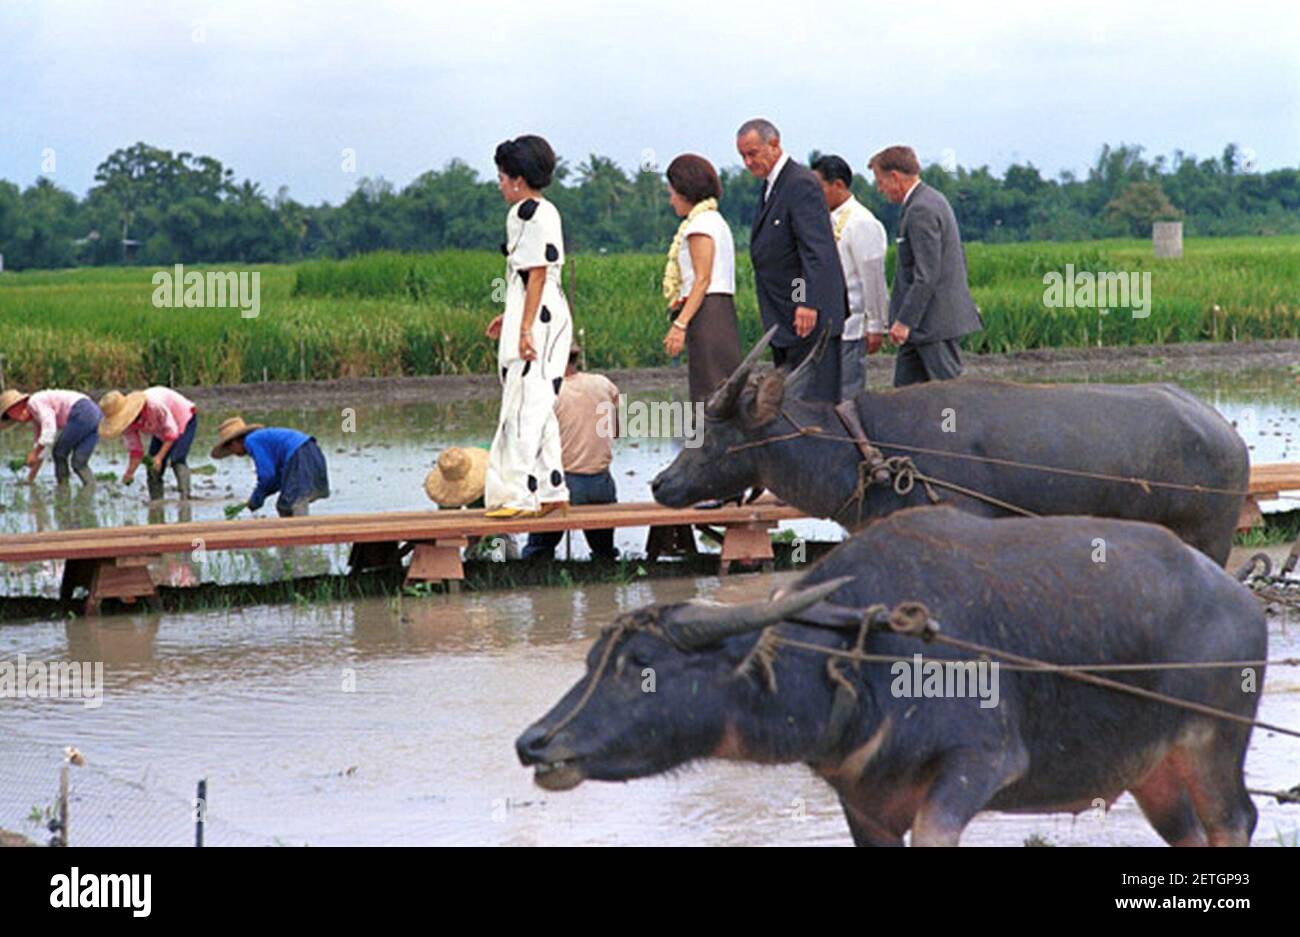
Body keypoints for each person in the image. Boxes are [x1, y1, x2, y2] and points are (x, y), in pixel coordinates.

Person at [483, 134, 571, 519]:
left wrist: (523, 329)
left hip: (538, 317)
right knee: (540, 406)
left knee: (521, 407)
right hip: (549, 312)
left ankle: (516, 493)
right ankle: (553, 489)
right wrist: (512, 315)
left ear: (517, 179)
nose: (500, 185)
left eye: (502, 177)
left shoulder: (524, 212)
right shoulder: (546, 210)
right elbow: (534, 277)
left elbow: (535, 273)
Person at [736, 118, 846, 402]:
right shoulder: (771, 185)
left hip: (806, 319)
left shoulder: (799, 183)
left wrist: (806, 300)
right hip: (783, 317)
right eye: (742, 156)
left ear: (774, 145)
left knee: (812, 402)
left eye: (753, 153)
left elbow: (813, 249)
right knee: (790, 401)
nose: (748, 162)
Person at [868, 144, 983, 386]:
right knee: (905, 398)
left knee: (948, 393)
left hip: (932, 326)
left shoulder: (921, 209)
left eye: (880, 181)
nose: (880, 189)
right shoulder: (929, 200)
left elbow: (927, 274)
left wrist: (904, 321)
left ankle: (953, 426)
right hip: (922, 328)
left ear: (895, 177)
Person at [523, 346, 620, 561]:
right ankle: (605, 582)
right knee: (604, 551)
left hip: (564, 483)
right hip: (602, 482)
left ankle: (533, 578)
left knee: (538, 548)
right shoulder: (603, 384)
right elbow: (616, 430)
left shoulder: (548, 392)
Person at [661, 154, 741, 403]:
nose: (671, 199)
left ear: (685, 191)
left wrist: (680, 324)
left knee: (710, 390)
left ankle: (710, 441)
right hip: (717, 310)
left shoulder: (701, 225)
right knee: (716, 387)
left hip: (709, 311)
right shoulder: (713, 221)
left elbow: (702, 279)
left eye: (672, 192)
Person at [810, 155, 889, 400]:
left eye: (819, 187)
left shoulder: (861, 222)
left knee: (847, 396)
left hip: (851, 327)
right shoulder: (820, 220)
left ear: (838, 185)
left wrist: (876, 324)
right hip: (823, 327)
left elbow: (872, 278)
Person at [211, 417, 330, 517]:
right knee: (294, 500)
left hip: (299, 455)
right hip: (312, 451)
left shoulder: (251, 441)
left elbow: (267, 476)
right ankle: (298, 538)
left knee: (289, 505)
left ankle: (297, 540)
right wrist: (257, 497)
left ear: (234, 443)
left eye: (231, 449)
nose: (234, 454)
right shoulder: (262, 439)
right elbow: (277, 478)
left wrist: (256, 499)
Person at [98, 386, 199, 500]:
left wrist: (160, 457)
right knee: (152, 464)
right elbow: (136, 450)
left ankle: (185, 497)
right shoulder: (127, 425)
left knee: (177, 459)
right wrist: (129, 473)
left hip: (183, 419)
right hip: (160, 430)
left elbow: (172, 432)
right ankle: (156, 500)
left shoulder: (153, 406)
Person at [0, 388, 102, 486]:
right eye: (12, 417)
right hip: (95, 413)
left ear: (20, 404)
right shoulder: (37, 420)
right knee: (79, 463)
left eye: (16, 413)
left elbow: (50, 430)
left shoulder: (35, 402)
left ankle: (63, 489)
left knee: (59, 453)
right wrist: (30, 478)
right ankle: (90, 489)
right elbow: (42, 448)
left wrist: (34, 453)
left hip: (82, 411)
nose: (19, 419)